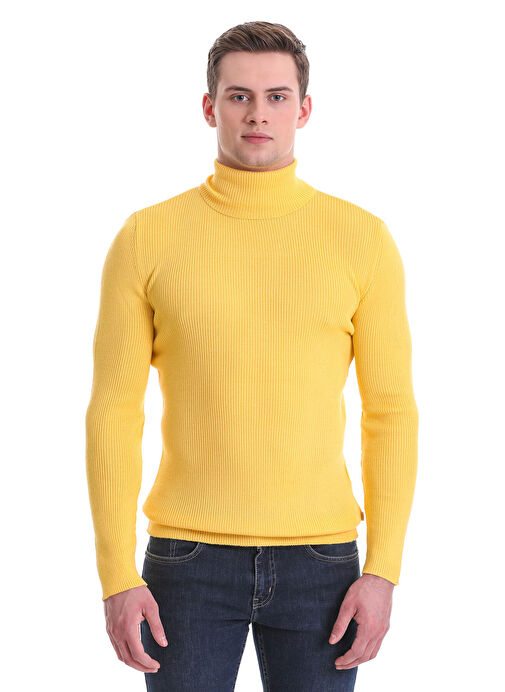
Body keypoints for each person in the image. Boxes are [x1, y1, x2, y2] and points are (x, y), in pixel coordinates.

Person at [85, 20, 418, 692]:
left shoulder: (362, 240)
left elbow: (390, 412)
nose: (258, 113)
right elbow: (113, 412)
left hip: (322, 563)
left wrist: (382, 570)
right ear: (210, 108)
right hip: (186, 561)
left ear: (304, 109)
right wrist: (116, 575)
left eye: (276, 96)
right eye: (239, 96)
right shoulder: (146, 238)